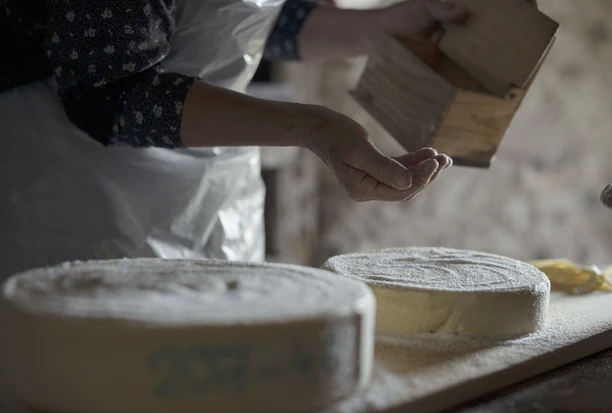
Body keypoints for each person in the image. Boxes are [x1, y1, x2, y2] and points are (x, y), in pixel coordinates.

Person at [0, 0, 468, 281]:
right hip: (82, 189)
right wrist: (312, 129)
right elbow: (107, 93)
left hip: (216, 184)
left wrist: (379, 28)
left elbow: (245, 21)